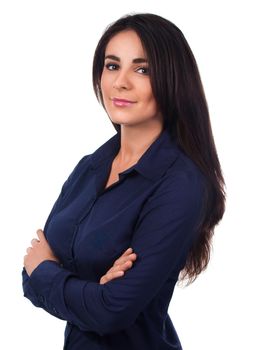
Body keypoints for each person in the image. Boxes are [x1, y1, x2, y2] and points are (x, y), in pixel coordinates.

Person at [22, 12, 226, 350]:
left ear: (172, 80)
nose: (121, 82)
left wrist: (50, 272)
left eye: (142, 70)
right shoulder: (90, 167)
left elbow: (110, 310)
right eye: (112, 65)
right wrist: (88, 289)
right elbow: (28, 275)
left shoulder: (182, 184)